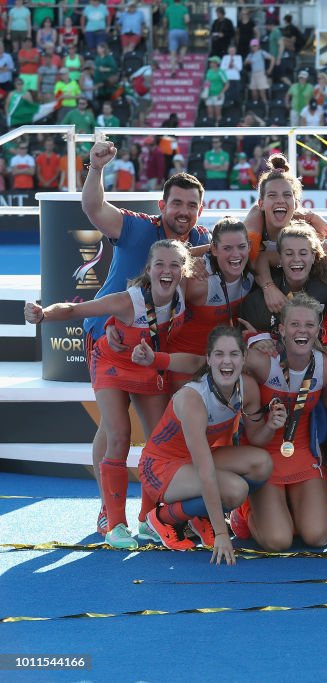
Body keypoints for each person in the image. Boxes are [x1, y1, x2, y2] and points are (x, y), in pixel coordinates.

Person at [80, 137, 209, 537]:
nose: (183, 211)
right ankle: (109, 512)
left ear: (199, 210)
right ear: (162, 205)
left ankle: (151, 516)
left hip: (153, 351)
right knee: (114, 429)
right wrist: (96, 168)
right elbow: (94, 208)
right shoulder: (138, 228)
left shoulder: (201, 240)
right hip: (108, 339)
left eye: (191, 205)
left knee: (157, 436)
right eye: (177, 203)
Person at [25, 241, 191, 549]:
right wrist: (43, 314)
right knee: (119, 436)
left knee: (159, 444)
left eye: (174, 265)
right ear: (148, 269)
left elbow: (204, 252)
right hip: (112, 363)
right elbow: (76, 309)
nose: (167, 271)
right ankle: (115, 523)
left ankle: (148, 519)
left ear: (184, 270)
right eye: (159, 265)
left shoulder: (184, 294)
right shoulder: (128, 301)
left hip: (148, 364)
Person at [134, 326, 273, 563]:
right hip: (160, 466)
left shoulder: (247, 387)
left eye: (233, 354)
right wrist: (221, 534)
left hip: (193, 460)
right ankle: (162, 517)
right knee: (235, 490)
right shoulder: (193, 398)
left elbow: (258, 438)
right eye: (219, 354)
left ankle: (199, 513)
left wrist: (272, 425)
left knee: (263, 464)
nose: (226, 361)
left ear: (243, 358)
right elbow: (206, 471)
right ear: (208, 359)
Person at [233, 294, 327, 550]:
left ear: (318, 330)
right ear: (281, 329)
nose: (302, 331)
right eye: (294, 325)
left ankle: (287, 512)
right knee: (278, 541)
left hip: (301, 452)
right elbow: (224, 357)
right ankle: (243, 513)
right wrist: (253, 340)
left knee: (318, 537)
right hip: (263, 456)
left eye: (309, 325)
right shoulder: (261, 360)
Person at [166, 218, 254, 392]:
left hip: (221, 361)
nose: (236, 254)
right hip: (184, 361)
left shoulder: (255, 271)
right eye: (227, 248)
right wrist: (115, 325)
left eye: (241, 247)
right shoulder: (199, 278)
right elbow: (146, 288)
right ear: (213, 249)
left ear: (249, 246)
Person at [240, 224, 327, 346]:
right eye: (289, 254)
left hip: (315, 355)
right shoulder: (258, 301)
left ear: (313, 256)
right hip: (273, 357)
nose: (296, 259)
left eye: (303, 253)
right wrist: (256, 340)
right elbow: (245, 343)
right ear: (280, 258)